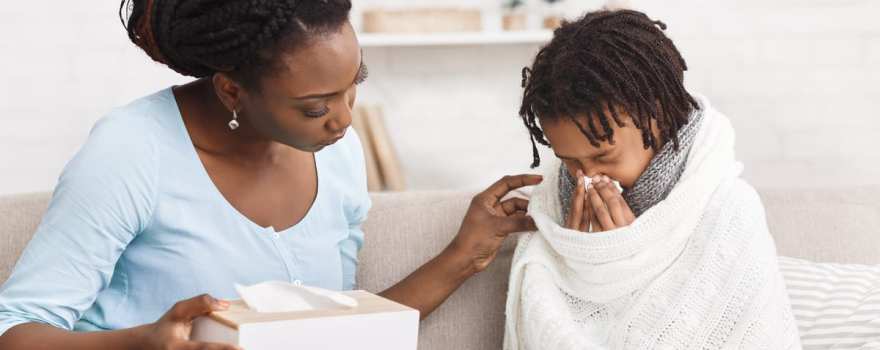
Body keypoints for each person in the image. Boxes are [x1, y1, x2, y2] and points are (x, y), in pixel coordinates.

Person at [0, 1, 541, 349]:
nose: (345, 118)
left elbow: (336, 334)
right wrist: (144, 343)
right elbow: (16, 329)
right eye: (314, 106)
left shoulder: (338, 154)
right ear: (232, 90)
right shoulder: (131, 151)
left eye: (357, 81)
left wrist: (464, 254)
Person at [504, 9, 801, 349]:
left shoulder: (731, 209)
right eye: (569, 161)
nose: (586, 177)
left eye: (603, 156)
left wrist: (624, 258)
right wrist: (585, 259)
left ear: (656, 117)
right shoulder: (552, 210)